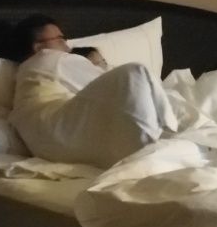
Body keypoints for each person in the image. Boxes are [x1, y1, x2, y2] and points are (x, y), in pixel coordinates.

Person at [9, 14, 176, 168]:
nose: (67, 45)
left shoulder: (25, 73)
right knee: (136, 73)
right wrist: (98, 64)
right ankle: (170, 133)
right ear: (38, 47)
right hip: (61, 131)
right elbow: (103, 83)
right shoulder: (50, 58)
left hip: (46, 147)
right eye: (60, 39)